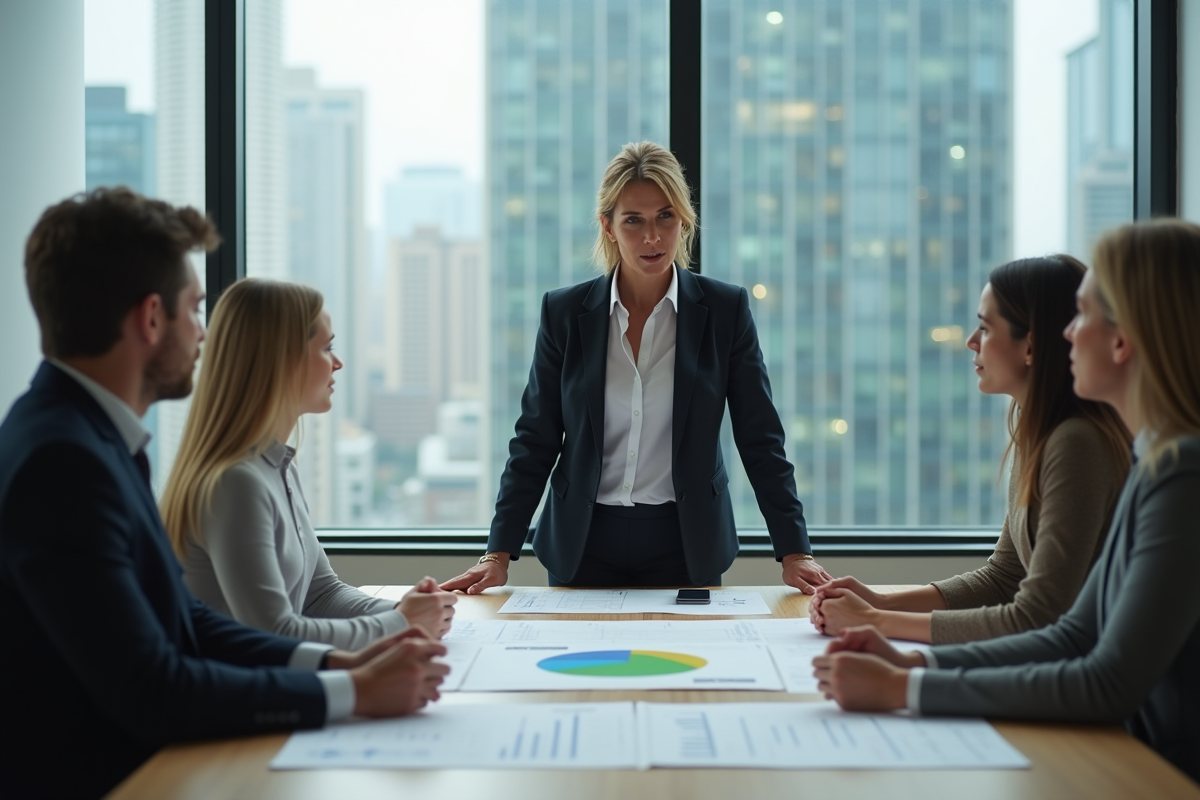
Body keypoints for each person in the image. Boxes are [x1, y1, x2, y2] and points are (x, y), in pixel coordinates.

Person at [0, 188, 449, 799]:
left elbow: (185, 619)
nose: (204, 334)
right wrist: (350, 691)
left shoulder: (90, 438)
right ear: (151, 318)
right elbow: (152, 687)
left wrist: (334, 665)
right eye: (194, 309)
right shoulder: (63, 462)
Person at [812, 219, 1200, 783]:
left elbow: (1103, 676)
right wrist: (914, 661)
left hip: (1158, 768)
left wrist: (905, 683)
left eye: (1083, 315)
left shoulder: (1176, 472)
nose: (1068, 333)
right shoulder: (1154, 461)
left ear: (1122, 341)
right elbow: (1069, 629)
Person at [442, 141, 833, 593]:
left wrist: (794, 551)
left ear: (684, 219)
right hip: (583, 543)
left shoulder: (725, 311)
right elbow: (535, 440)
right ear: (607, 226)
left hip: (686, 543)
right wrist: (498, 553)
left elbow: (759, 437)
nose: (653, 237)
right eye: (634, 220)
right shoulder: (564, 314)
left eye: (665, 216)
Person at [809, 256, 1130, 644]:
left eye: (986, 328)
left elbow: (1038, 615)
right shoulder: (1038, 430)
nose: (971, 341)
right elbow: (1005, 578)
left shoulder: (1075, 442)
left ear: (1030, 346)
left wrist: (875, 621)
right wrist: (880, 603)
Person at [161, 278, 456, 649]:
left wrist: (405, 612)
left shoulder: (277, 467)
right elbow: (274, 634)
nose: (338, 363)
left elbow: (321, 595)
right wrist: (400, 623)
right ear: (281, 360)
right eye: (327, 348)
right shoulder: (236, 482)